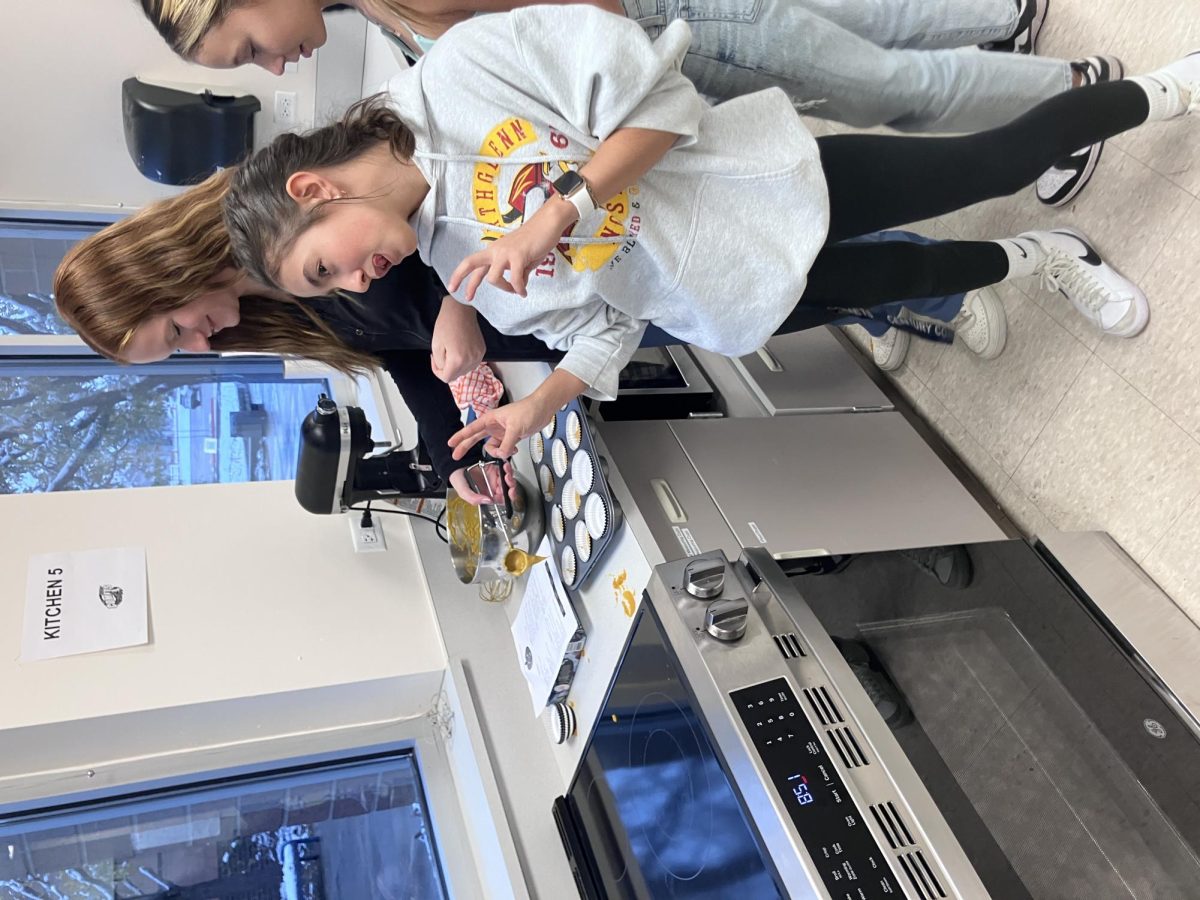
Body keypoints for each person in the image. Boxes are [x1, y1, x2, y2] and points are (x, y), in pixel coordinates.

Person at [220, 9, 1193, 463]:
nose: (357, 277)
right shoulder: (457, 270)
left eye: (327, 262)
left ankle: (1164, 90)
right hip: (733, 296)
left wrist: (560, 208)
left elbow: (665, 94)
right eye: (335, 287)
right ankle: (1041, 259)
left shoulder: (465, 70)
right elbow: (605, 327)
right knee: (906, 271)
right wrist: (540, 407)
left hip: (764, 189)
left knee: (984, 164)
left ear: (314, 186)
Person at [53, 170, 983, 501]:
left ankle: (929, 278)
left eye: (174, 329)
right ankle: (875, 298)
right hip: (551, 320)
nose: (198, 343)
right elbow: (392, 349)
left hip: (538, 269)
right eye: (175, 353)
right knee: (747, 312)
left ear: (162, 275)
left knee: (762, 270)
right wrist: (444, 448)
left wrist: (457, 305)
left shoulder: (266, 207)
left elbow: (415, 184)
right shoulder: (258, 313)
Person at [139, 0, 1120, 206]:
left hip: (669, 26)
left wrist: (608, 123)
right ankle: (1001, 16)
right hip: (667, 29)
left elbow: (585, 19)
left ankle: (1078, 96)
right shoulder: (378, 9)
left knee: (885, 92)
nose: (274, 69)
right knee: (844, 36)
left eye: (250, 48)